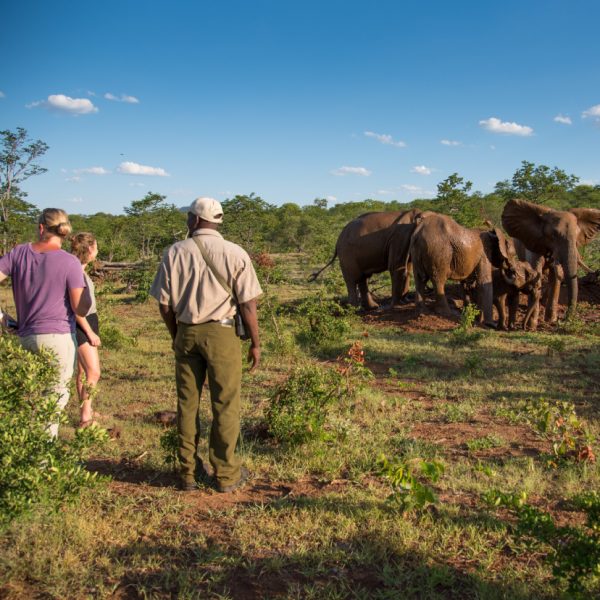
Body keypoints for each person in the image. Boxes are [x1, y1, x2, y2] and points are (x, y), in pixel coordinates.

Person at [150, 196, 262, 493]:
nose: (187, 222)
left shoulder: (174, 252)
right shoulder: (235, 252)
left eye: (188, 217)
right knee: (225, 403)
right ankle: (225, 474)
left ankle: (187, 473)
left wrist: (176, 333)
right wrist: (255, 343)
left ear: (195, 220)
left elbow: (163, 304)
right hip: (223, 335)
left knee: (187, 405)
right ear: (217, 221)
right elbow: (248, 305)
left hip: (186, 331)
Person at [0, 208, 91, 437]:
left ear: (41, 228)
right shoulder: (70, 262)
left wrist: (2, 318)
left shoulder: (19, 253)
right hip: (58, 339)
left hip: (24, 337)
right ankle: (42, 463)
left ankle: (23, 454)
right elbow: (80, 307)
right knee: (52, 402)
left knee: (26, 400)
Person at [70, 232, 101, 428]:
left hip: (87, 320)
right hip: (83, 323)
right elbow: (77, 309)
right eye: (96, 247)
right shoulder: (76, 273)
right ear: (89, 249)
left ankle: (86, 410)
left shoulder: (78, 269)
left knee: (82, 372)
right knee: (93, 372)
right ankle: (85, 419)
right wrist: (90, 332)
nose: (97, 250)